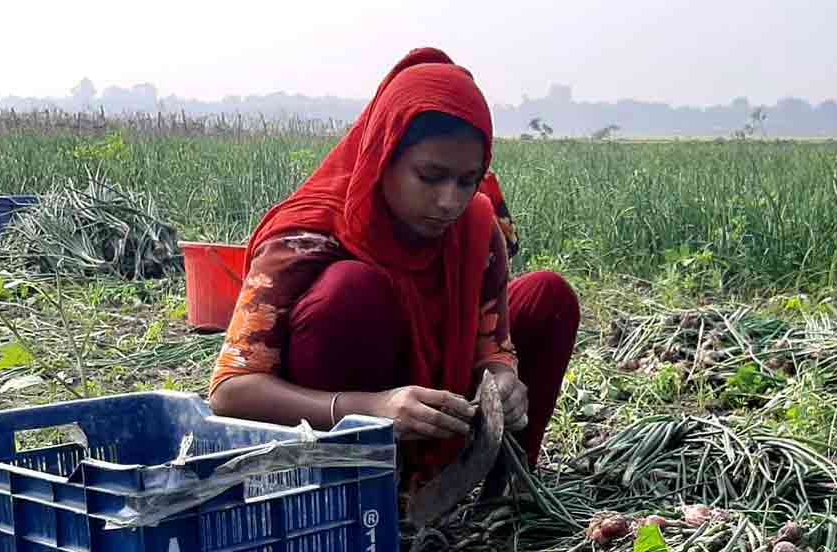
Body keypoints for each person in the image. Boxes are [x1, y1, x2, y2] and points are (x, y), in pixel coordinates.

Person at [208, 48, 579, 510]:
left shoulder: (476, 227)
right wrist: (372, 409)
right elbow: (230, 392)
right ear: (384, 156)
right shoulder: (308, 234)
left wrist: (504, 377)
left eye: (468, 180)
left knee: (549, 295)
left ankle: (504, 496)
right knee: (352, 291)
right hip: (337, 413)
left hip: (438, 410)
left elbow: (492, 341)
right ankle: (361, 496)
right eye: (430, 176)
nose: (449, 201)